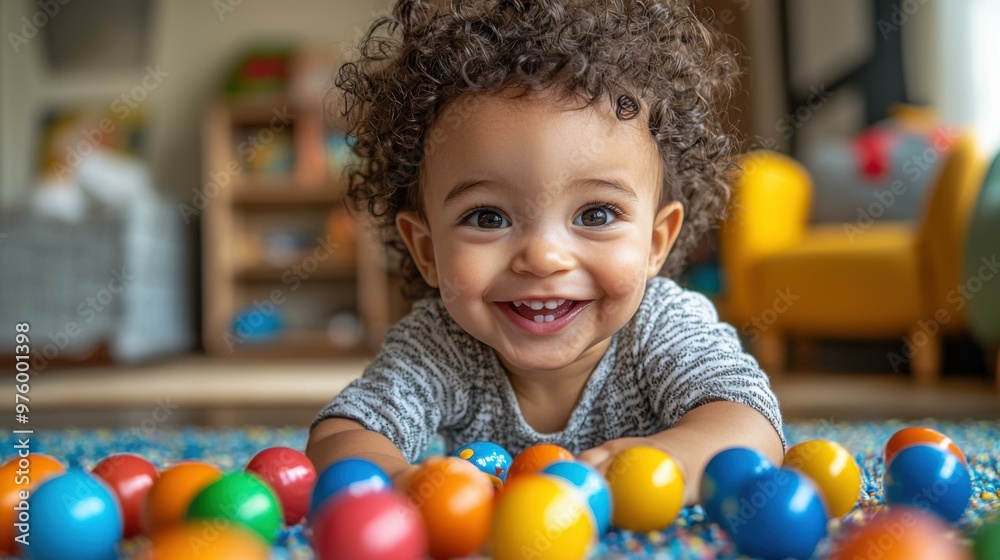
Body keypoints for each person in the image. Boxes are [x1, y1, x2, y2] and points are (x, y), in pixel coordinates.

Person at [306, 0, 784, 504]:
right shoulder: (441, 345)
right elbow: (342, 434)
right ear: (426, 250)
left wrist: (670, 461)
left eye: (595, 215)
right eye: (488, 217)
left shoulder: (662, 327)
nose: (543, 257)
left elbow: (749, 421)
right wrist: (401, 484)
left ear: (656, 242)